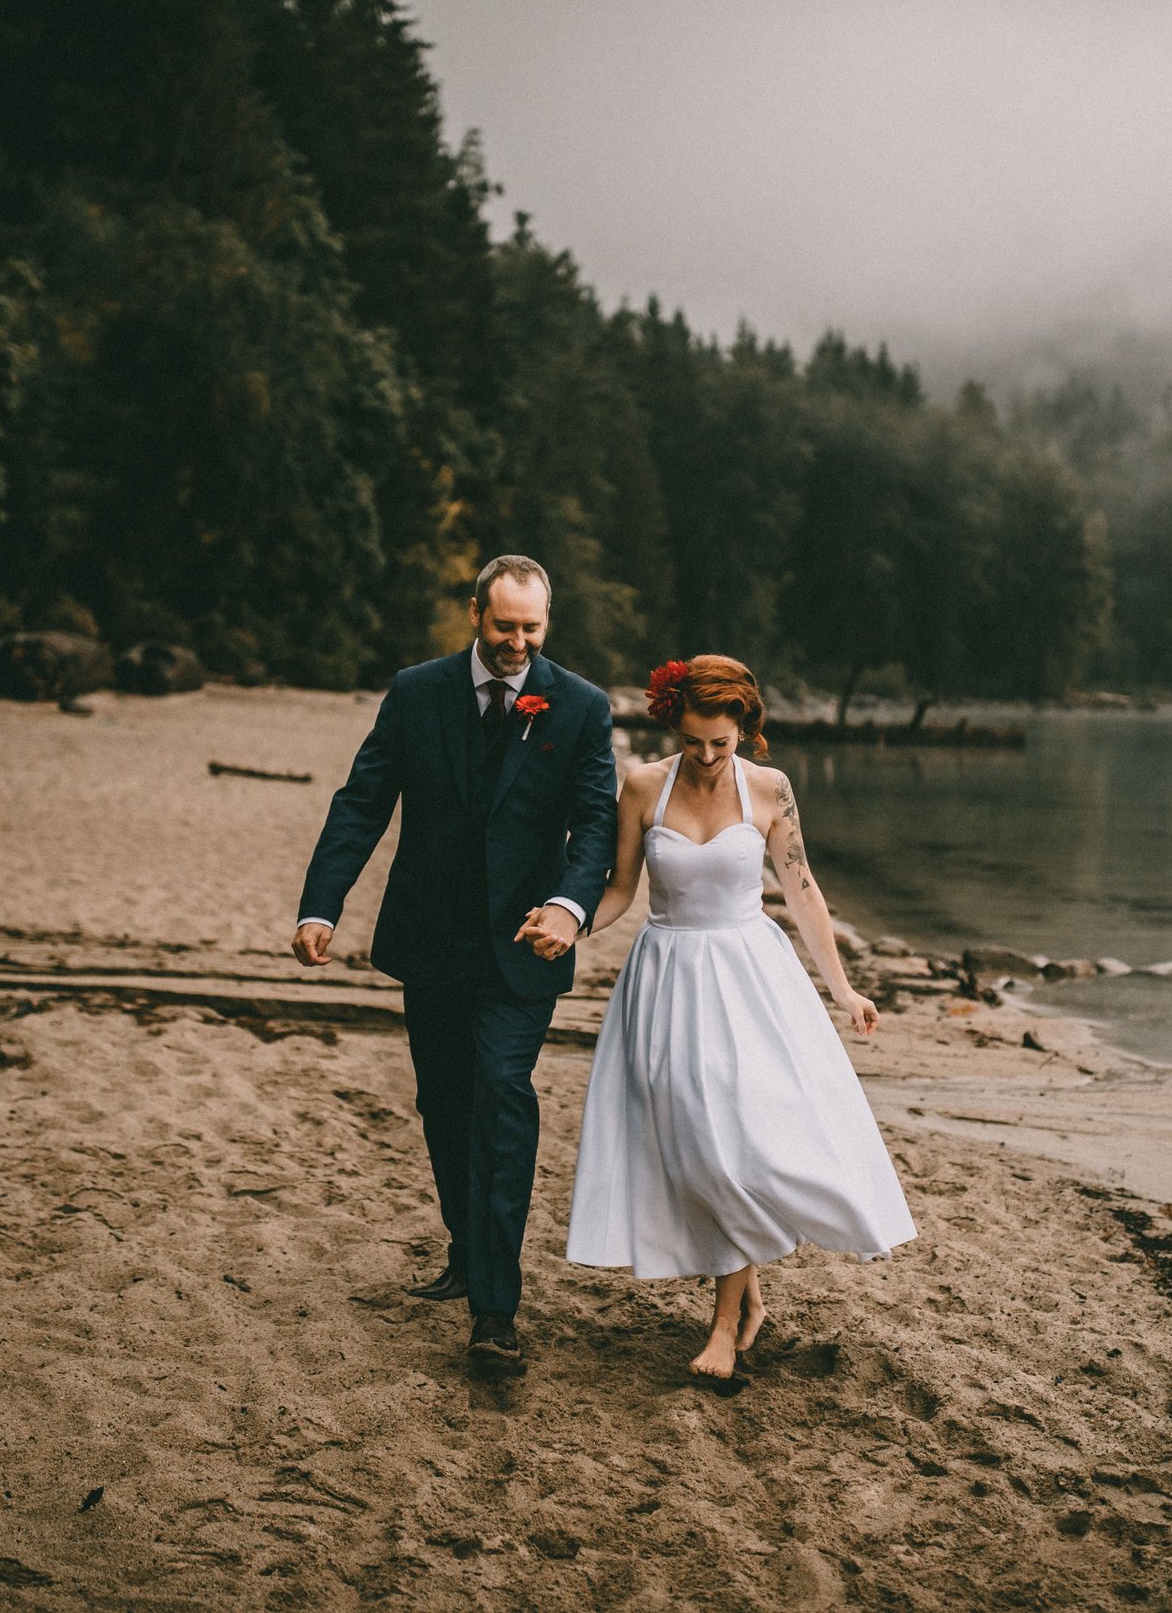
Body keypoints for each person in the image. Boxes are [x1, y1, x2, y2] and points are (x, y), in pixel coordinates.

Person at [547, 655, 915, 1382]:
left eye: (723, 741)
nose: (710, 757)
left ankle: (724, 1323)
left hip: (752, 979)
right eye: (695, 742)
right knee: (696, 1146)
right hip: (668, 980)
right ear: (674, 728)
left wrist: (843, 990)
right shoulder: (645, 785)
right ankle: (748, 1301)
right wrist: (571, 921)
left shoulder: (772, 789)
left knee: (737, 1146)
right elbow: (622, 889)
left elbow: (803, 892)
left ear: (745, 727)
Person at [293, 556, 618, 1375]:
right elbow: (364, 799)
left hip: (522, 949)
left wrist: (570, 907)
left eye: (532, 629)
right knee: (442, 1097)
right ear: (475, 613)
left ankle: (495, 1311)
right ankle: (468, 1249)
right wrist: (320, 904)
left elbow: (596, 825)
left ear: (548, 623)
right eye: (504, 625)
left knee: (500, 1094)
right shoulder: (416, 690)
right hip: (431, 940)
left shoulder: (579, 707)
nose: (517, 643)